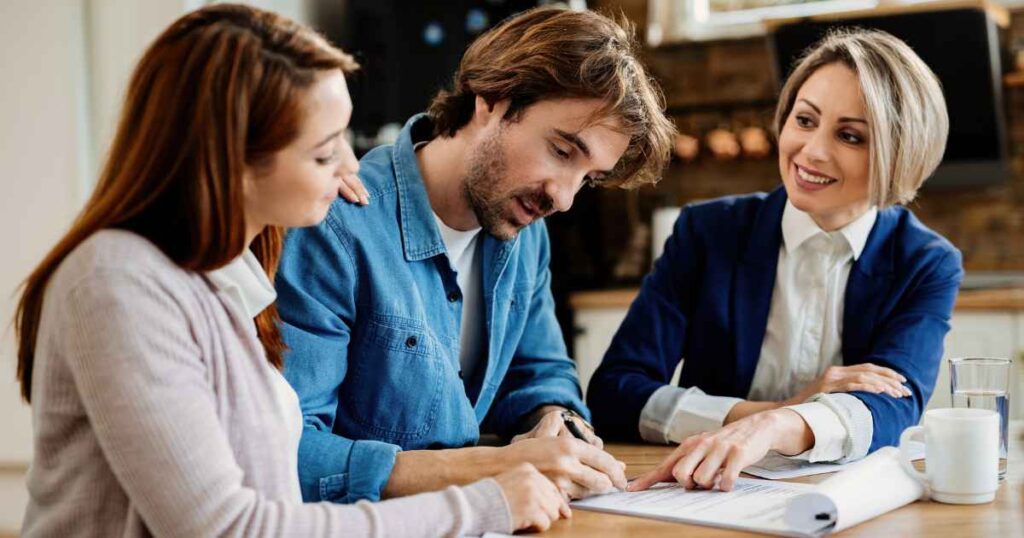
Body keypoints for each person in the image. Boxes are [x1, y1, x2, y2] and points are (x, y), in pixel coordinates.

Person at [14, 4, 569, 536]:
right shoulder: (118, 284)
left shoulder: (224, 277)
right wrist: (481, 504)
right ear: (233, 159)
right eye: (326, 153)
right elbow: (231, 529)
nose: (354, 169)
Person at [275, 5, 676, 504]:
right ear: (493, 101)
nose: (564, 198)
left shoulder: (524, 232)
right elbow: (287, 455)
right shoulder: (335, 225)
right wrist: (492, 465)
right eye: (562, 151)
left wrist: (556, 420)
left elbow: (540, 373)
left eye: (588, 179)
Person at [586, 29, 963, 493]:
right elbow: (615, 394)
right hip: (705, 491)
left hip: (840, 504)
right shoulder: (708, 233)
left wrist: (776, 428)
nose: (811, 151)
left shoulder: (925, 263)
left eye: (850, 136)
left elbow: (892, 412)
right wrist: (766, 414)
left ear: (899, 154)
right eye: (805, 120)